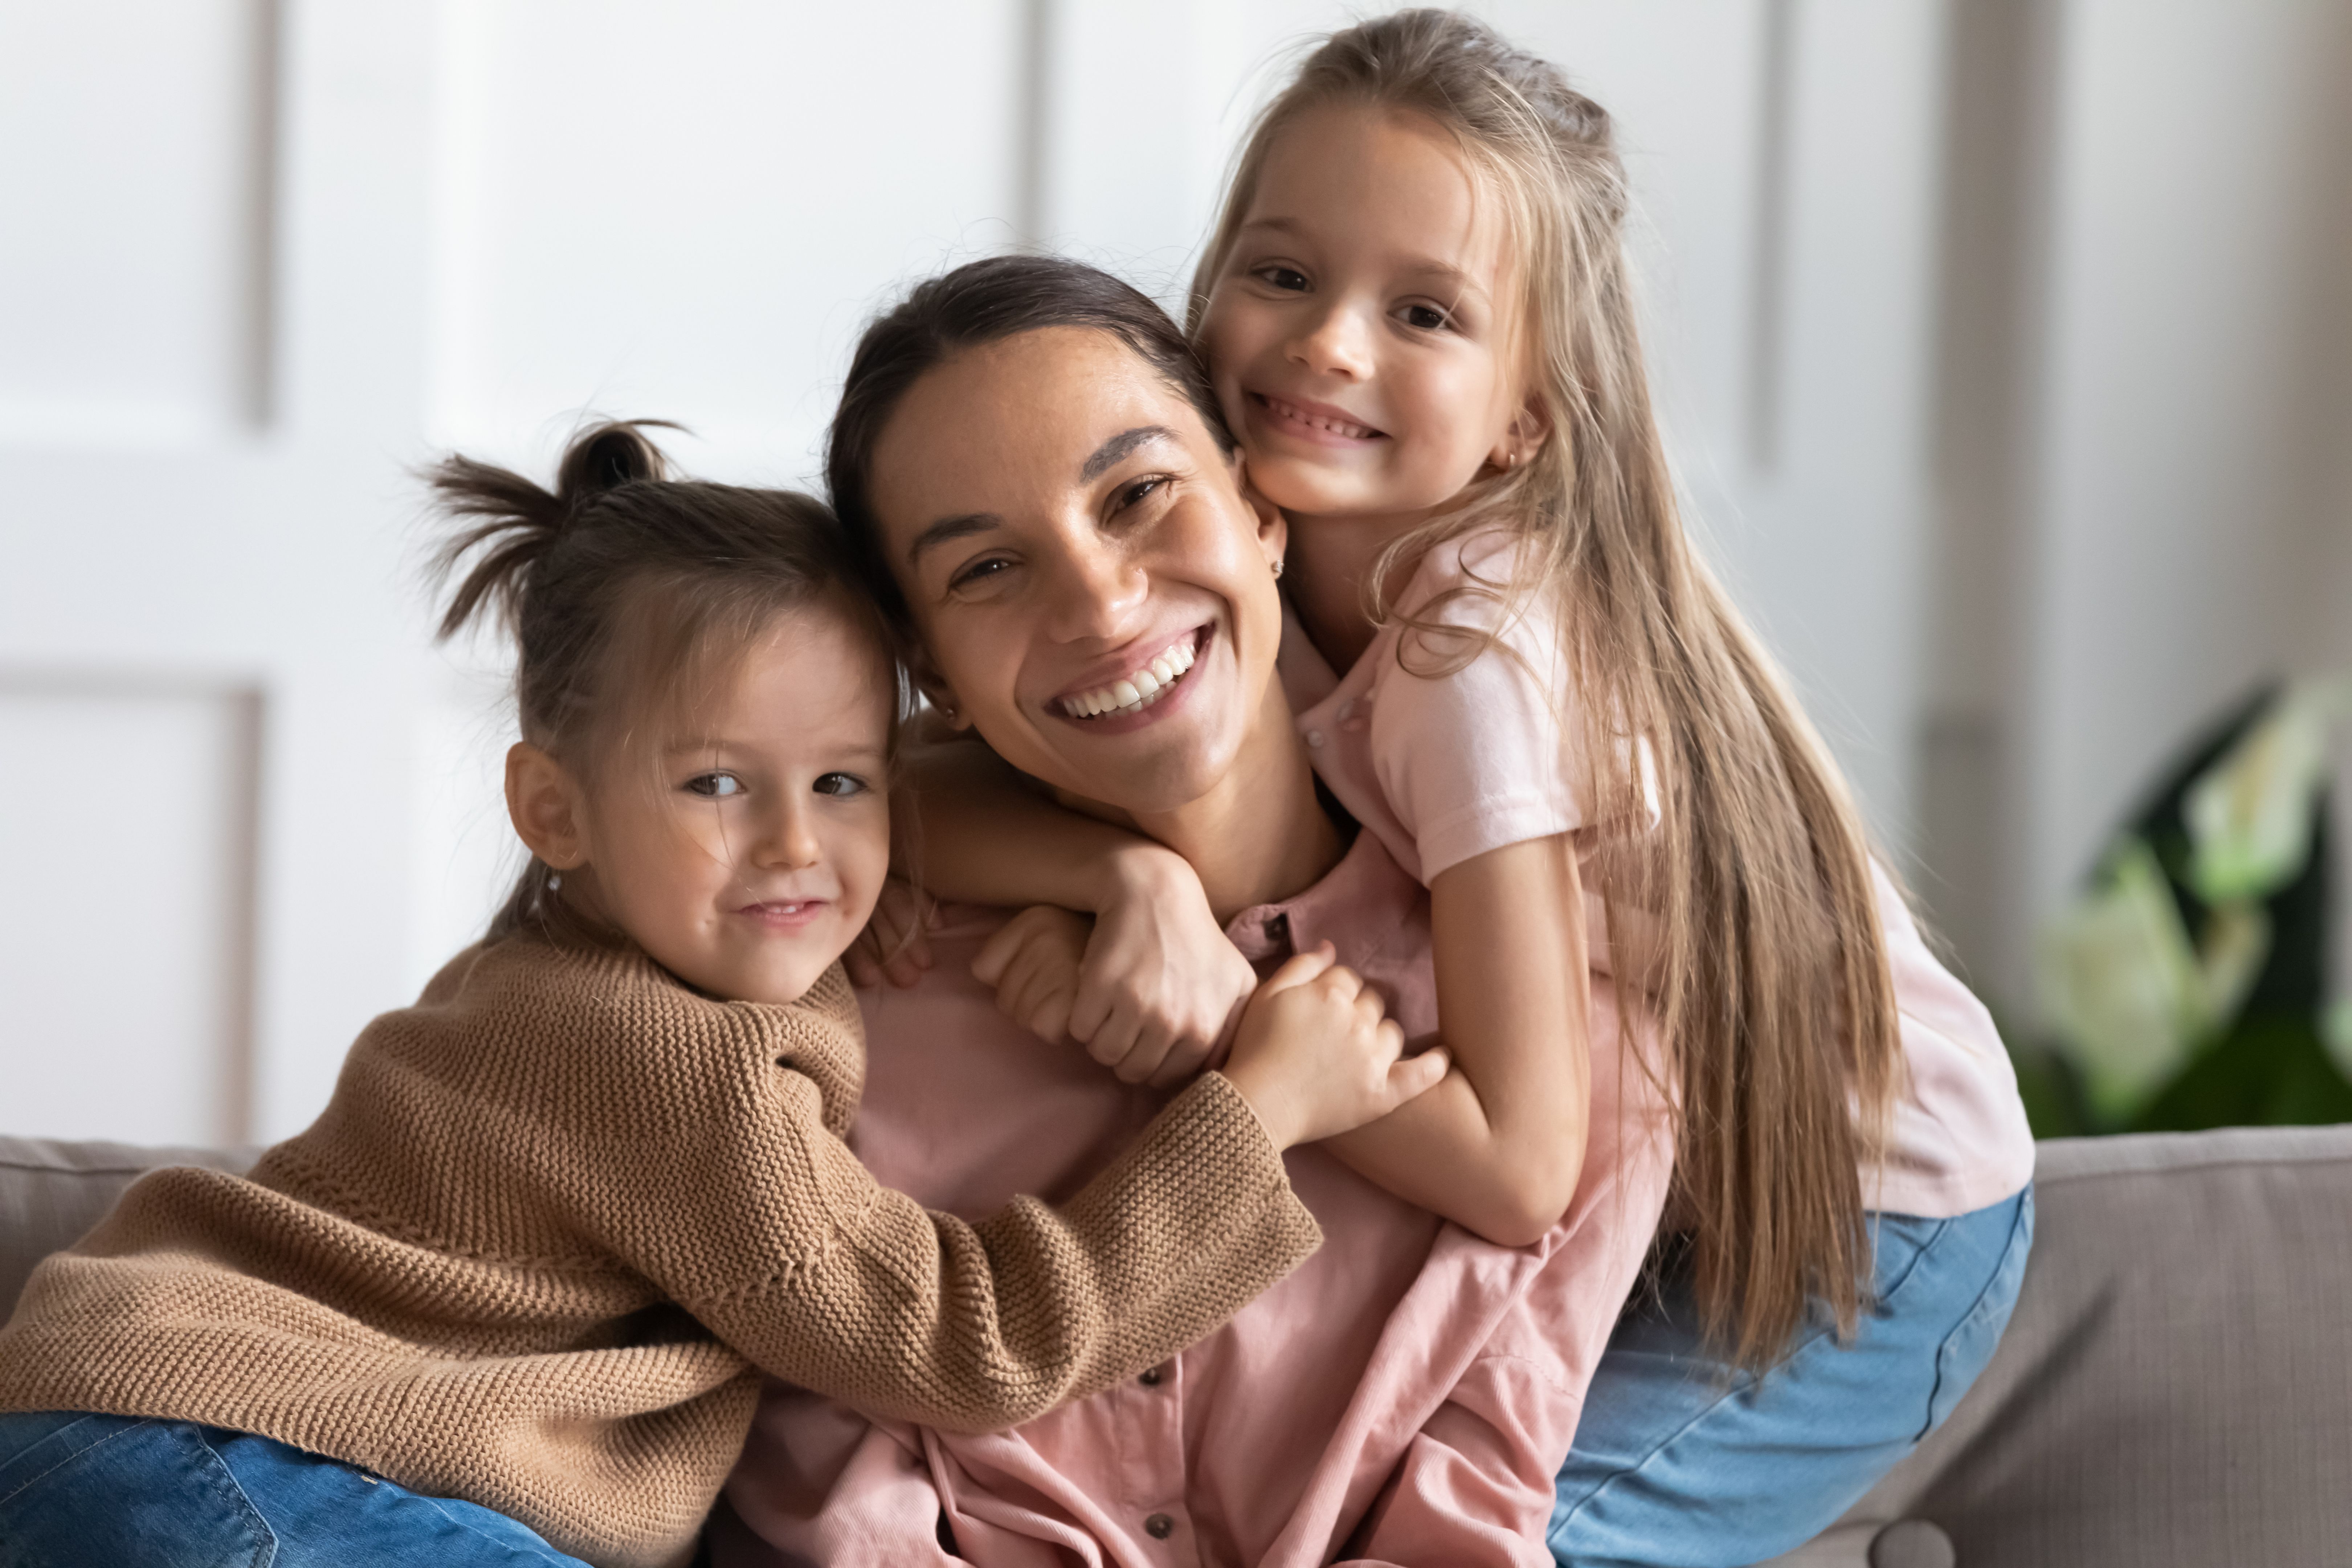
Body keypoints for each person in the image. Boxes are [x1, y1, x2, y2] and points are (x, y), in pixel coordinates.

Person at [906, 14, 2039, 1564]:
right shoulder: (1261, 558)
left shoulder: (1471, 657)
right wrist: (1126, 883)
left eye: (1423, 311)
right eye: (1285, 274)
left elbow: (1517, 1161)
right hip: (1645, 1186)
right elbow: (881, 796)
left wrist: (1235, 1019)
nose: (1329, 345)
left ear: (1525, 413)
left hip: (1880, 1228)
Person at [0, 424, 1443, 1568]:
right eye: (716, 786)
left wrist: (1114, 882)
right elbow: (963, 1340)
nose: (796, 846)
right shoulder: (665, 1061)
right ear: (552, 810)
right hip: (204, 1452)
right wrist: (1261, 1110)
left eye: (840, 784)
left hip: (157, 1437)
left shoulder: (601, 970)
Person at [712, 254, 1677, 1567]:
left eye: (1140, 494)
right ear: (928, 667)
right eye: (989, 567)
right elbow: (830, 1493)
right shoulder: (837, 994)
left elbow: (1477, 1505)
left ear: (1259, 510)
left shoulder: (1559, 1058)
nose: (1102, 604)